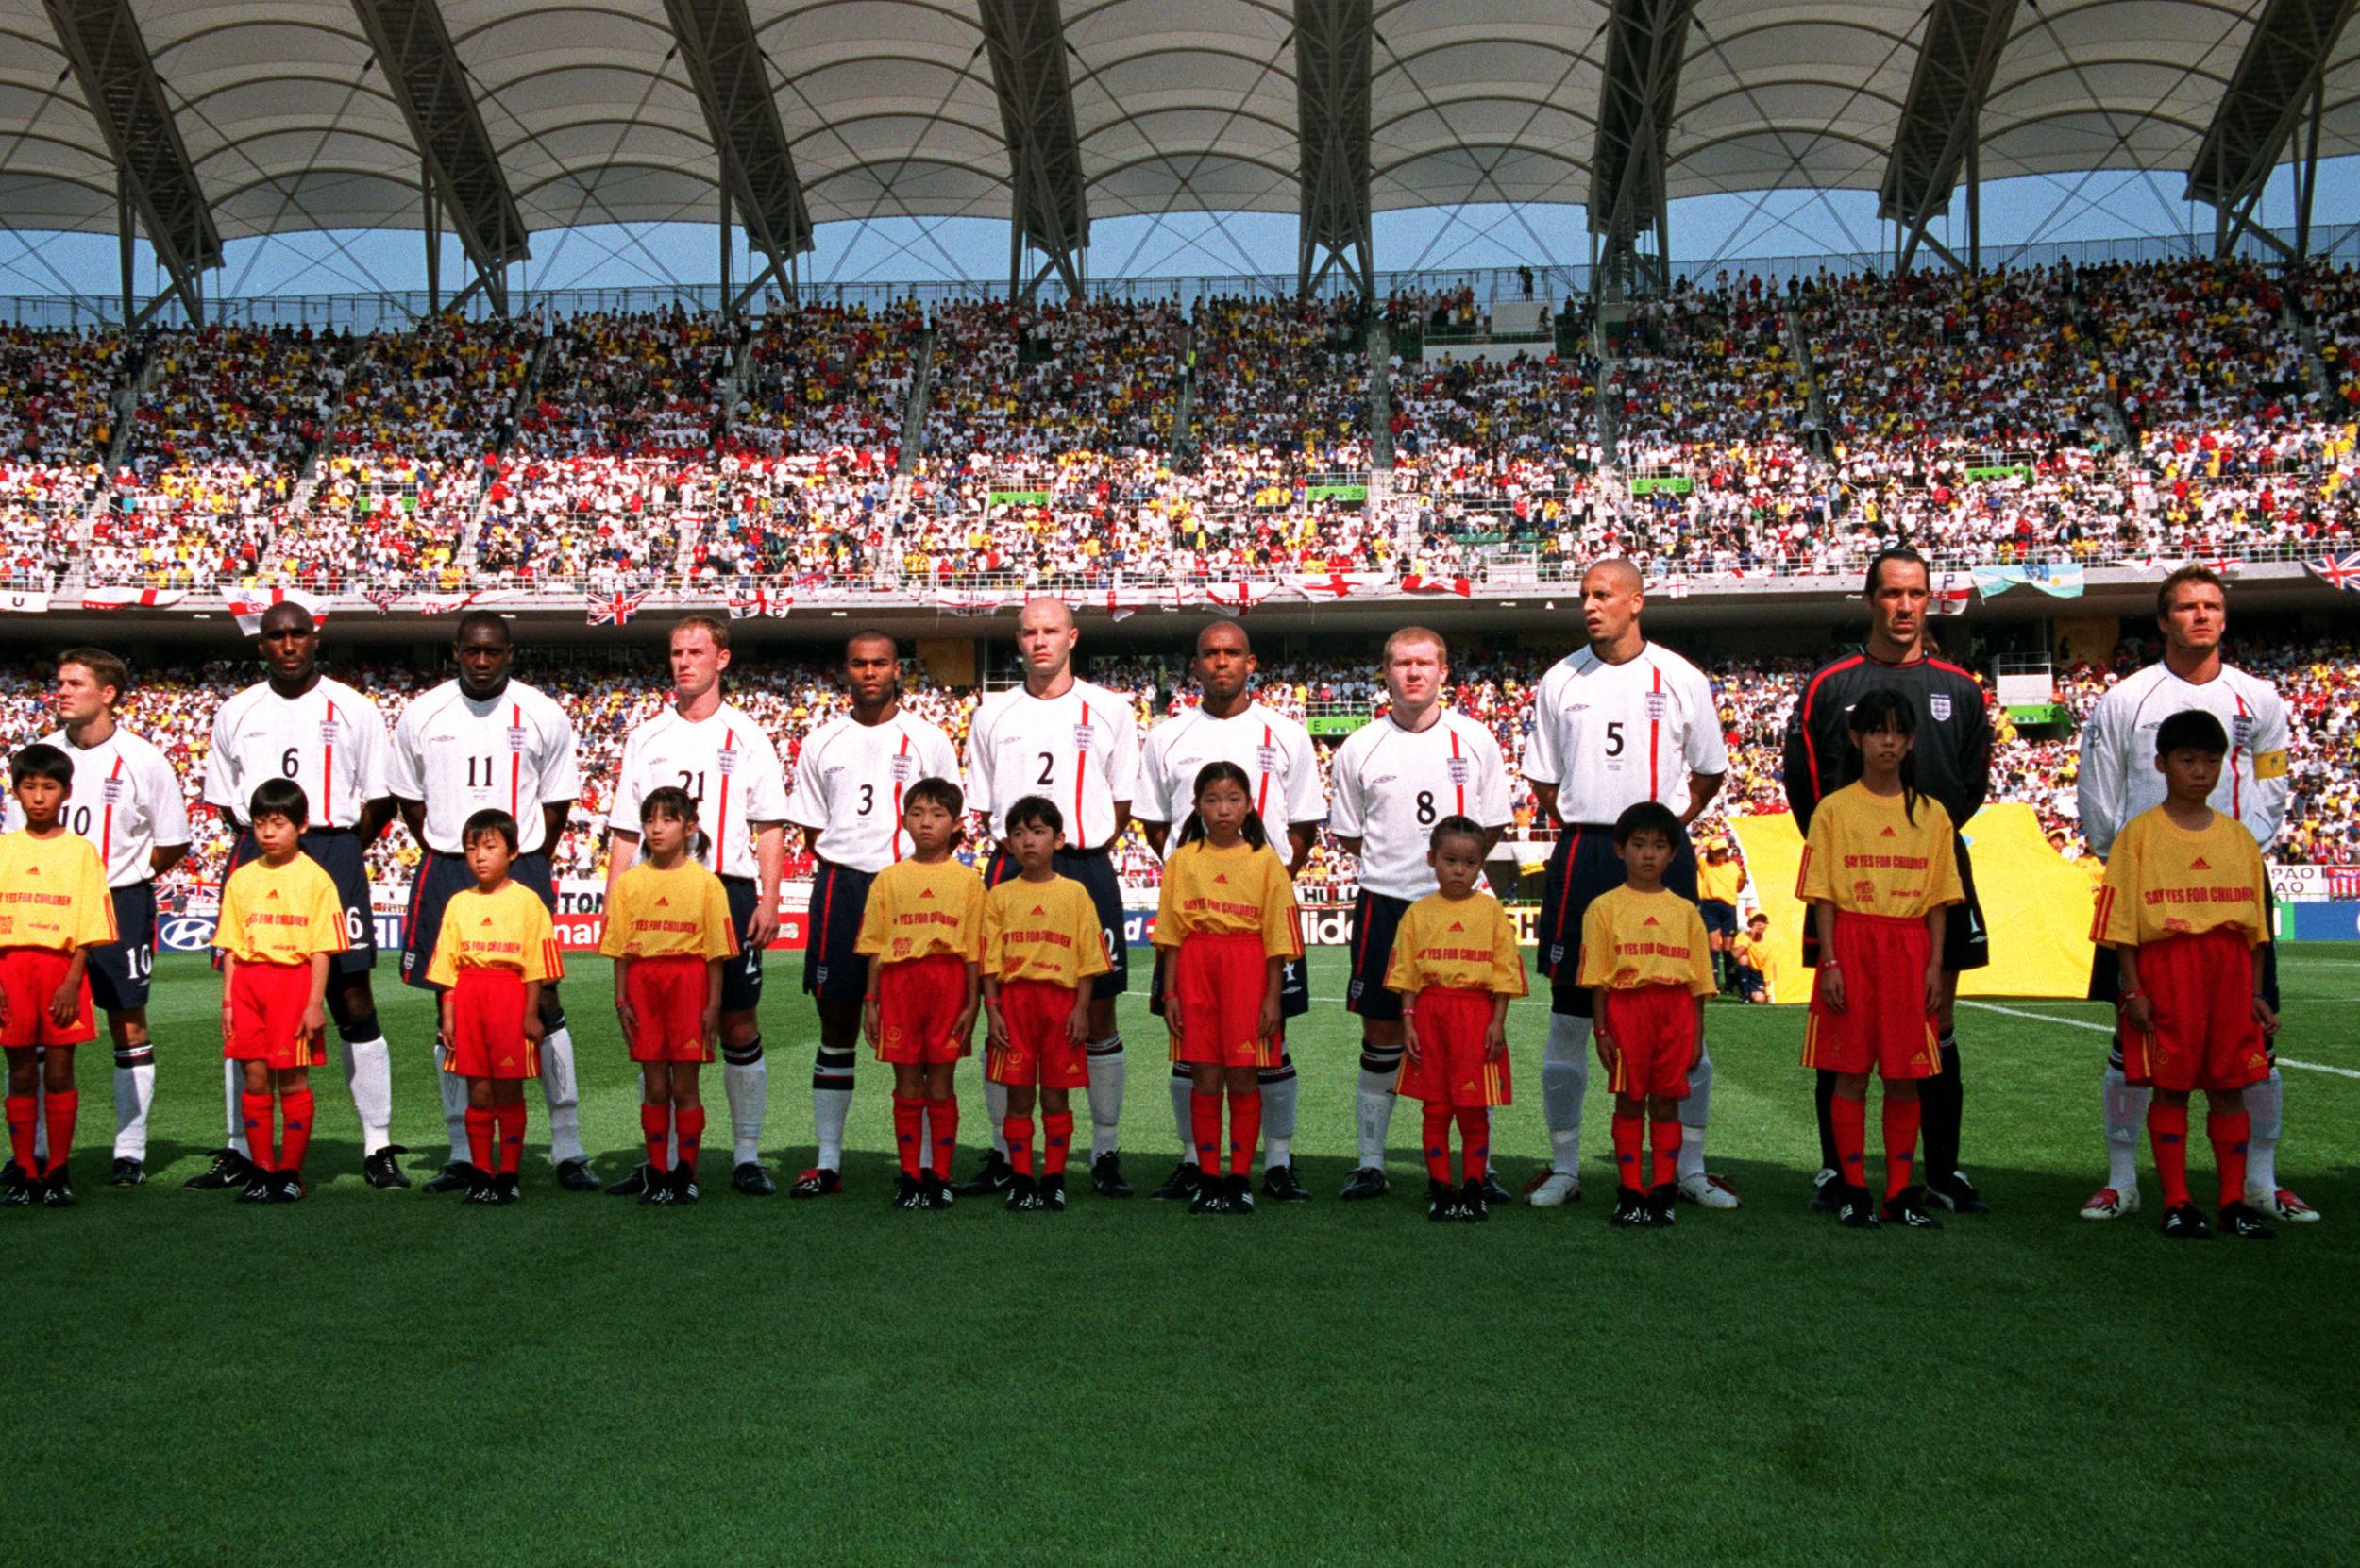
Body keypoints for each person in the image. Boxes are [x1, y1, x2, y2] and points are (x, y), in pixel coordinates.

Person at [2073, 565, 2312, 1223]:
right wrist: (2123, 858)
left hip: (2232, 893)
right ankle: (2124, 1180)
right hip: (2149, 895)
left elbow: (2273, 777)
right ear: (2163, 620)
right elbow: (2098, 787)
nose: (2199, 616)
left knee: (2253, 1044)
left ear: (2225, 618)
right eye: (2185, 607)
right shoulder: (2126, 699)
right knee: (2132, 1047)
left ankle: (2259, 1182)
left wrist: (2243, 844)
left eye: (2211, 605)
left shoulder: (2260, 700)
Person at [1782, 547, 1993, 1217]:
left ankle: (1939, 1172)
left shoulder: (1958, 688)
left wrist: (1918, 836)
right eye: (1893, 593)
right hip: (1851, 892)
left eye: (1917, 594)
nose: (1905, 606)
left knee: (1937, 1023)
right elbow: (1804, 785)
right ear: (1870, 599)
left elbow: (1971, 782)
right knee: (1845, 1032)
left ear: (1929, 600)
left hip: (1929, 884)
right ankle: (1835, 1173)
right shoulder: (1830, 684)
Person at [1526, 560, 1733, 1211]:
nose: (1590, 606)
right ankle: (1564, 1166)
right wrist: (1599, 829)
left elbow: (1708, 770)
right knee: (1569, 1015)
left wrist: (1662, 830)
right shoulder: (1560, 679)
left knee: (1677, 1013)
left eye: (1602, 595)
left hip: (1658, 850)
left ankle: (1688, 1167)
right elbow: (1545, 781)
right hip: (1586, 848)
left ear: (1635, 601)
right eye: (1583, 595)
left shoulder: (1680, 676)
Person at [194, 601, 403, 1192]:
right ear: (261, 645)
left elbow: (379, 796)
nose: (288, 645)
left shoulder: (354, 706)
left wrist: (332, 851)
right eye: (276, 636)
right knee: (246, 1002)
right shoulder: (237, 711)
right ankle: (240, 1147)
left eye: (297, 635)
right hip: (256, 856)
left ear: (315, 639)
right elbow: (222, 797)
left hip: (333, 850)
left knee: (353, 995)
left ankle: (378, 1142)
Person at [389, 613, 593, 1194]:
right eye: (472, 652)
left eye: (494, 652)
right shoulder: (422, 714)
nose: (482, 661)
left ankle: (568, 1145)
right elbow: (410, 800)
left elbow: (555, 803)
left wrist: (519, 860)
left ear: (510, 653)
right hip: (447, 867)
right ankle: (462, 1150)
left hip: (523, 865)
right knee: (449, 1009)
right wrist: (456, 847)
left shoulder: (542, 713)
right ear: (456, 651)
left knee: (544, 1000)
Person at [1136, 617, 1324, 1204]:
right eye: (1210, 653)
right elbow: (1155, 824)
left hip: (1256, 922)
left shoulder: (1286, 733)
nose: (1221, 661)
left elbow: (1304, 826)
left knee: (1272, 1040)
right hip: (1196, 933)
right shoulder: (1166, 735)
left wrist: (1256, 884)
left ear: (1251, 662)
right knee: (1192, 1045)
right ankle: (1196, 1163)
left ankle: (1277, 1161)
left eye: (1233, 652)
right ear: (1196, 665)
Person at [961, 598, 1140, 1199]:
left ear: (1073, 638)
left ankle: (1106, 1151)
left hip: (1085, 866)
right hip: (1010, 869)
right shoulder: (991, 713)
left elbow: (1120, 801)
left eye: (1051, 631)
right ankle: (1002, 1151)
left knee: (1100, 1010)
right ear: (1018, 640)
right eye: (1030, 632)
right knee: (1005, 1010)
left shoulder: (1111, 708)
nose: (1041, 641)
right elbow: (985, 803)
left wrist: (1075, 848)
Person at [606, 615, 788, 1197]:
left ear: (722, 660)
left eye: (695, 651)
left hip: (725, 892)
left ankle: (746, 1154)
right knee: (653, 1034)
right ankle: (659, 1161)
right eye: (676, 652)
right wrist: (615, 903)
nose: (684, 662)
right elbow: (623, 831)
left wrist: (769, 898)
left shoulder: (749, 735)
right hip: (656, 897)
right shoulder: (647, 736)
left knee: (736, 1022)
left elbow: (768, 824)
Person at [1329, 626, 1511, 1200]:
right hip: (1386, 903)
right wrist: (1404, 872)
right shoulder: (1361, 746)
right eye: (1401, 663)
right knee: (1383, 1032)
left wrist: (1449, 878)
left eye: (1424, 663)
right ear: (1385, 672)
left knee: (1470, 1035)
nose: (1413, 673)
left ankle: (1479, 1169)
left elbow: (1492, 827)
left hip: (1463, 909)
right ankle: (1371, 1162)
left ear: (1443, 672)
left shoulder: (1476, 740)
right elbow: (1351, 834)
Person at [0, 649, 188, 1188]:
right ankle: (31, 1153)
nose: (61, 691)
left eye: (74, 683)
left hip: (119, 900)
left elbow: (171, 841)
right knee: (32, 1030)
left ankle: (129, 1150)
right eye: (58, 682)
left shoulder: (145, 759)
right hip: (44, 914)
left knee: (127, 1022)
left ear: (107, 693)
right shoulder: (38, 756)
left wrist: (117, 876)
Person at [2091, 710, 2279, 1241]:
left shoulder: (2240, 839)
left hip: (2229, 972)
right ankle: (2176, 1201)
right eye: (2188, 760)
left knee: (2230, 1088)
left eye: (2211, 761)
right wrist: (2132, 988)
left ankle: (2233, 1201)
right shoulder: (2138, 836)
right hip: (2167, 969)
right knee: (2170, 1090)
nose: (2200, 771)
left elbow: (2255, 930)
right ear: (2162, 763)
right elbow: (2122, 925)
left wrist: (2255, 992)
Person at [783, 631, 957, 1199]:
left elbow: (949, 819)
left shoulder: (927, 739)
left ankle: (927, 1166)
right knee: (837, 1025)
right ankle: (829, 1161)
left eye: (880, 663)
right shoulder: (822, 741)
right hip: (842, 887)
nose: (870, 672)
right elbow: (813, 828)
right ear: (847, 671)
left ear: (897, 670)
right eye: (859, 663)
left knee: (925, 1030)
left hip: (911, 890)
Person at [1798, 691, 1963, 1232]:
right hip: (1853, 941)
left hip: (1909, 947)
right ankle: (1853, 1191)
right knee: (1848, 1075)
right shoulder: (1834, 809)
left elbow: (1940, 900)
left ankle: (1899, 1193)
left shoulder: (1932, 813)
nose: (1886, 741)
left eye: (1896, 731)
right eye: (1875, 731)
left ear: (1911, 740)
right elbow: (1823, 896)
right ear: (1857, 739)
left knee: (1905, 1079)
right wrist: (1832, 963)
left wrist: (1936, 965)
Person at [1154, 761, 1303, 1216]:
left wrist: (1272, 997)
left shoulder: (1265, 862)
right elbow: (1172, 935)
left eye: (1233, 799)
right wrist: (1172, 994)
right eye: (1213, 800)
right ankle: (1208, 1177)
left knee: (1243, 1076)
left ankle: (1240, 1178)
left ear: (1249, 805)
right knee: (1204, 1078)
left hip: (1247, 968)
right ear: (1197, 806)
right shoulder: (1182, 860)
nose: (1223, 809)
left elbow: (1278, 940)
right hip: (1197, 968)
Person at [1578, 801, 1718, 1229]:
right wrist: (1601, 1028)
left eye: (1659, 846)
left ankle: (1661, 1190)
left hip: (1674, 1013)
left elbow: (1698, 985)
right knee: (1630, 1099)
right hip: (1627, 1010)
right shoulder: (1603, 908)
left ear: (1673, 855)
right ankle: (1629, 1191)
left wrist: (1696, 1037)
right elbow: (1598, 978)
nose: (1648, 854)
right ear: (1620, 850)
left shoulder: (1686, 911)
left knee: (1665, 1103)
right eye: (1639, 844)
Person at [598, 786, 739, 1206]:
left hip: (688, 984)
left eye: (668, 820)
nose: (657, 829)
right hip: (644, 985)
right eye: (650, 820)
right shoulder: (629, 883)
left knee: (686, 1088)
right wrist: (621, 1000)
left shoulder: (707, 884)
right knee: (656, 1087)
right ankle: (658, 1171)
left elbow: (716, 953)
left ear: (689, 826)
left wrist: (713, 1007)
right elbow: (619, 950)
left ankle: (687, 1173)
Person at [1384, 815, 1526, 1223]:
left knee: (1473, 1109)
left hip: (1476, 1016)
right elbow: (1407, 974)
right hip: (1431, 1015)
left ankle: (1474, 1188)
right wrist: (1408, 1021)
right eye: (1450, 860)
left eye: (1469, 862)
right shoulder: (1418, 913)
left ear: (1481, 864)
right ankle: (1442, 1189)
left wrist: (1497, 1022)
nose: (1459, 870)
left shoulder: (1492, 912)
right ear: (1432, 860)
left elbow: (1504, 975)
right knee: (1436, 1109)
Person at [211, 778, 346, 1206]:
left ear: (301, 826)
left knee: (291, 1079)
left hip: (293, 984)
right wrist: (228, 1001)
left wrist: (314, 1004)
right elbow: (231, 947)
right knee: (253, 1078)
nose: (269, 832)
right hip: (249, 985)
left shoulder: (316, 879)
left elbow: (323, 949)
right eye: (261, 823)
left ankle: (290, 1172)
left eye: (279, 823)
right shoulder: (241, 879)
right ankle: (262, 1169)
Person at [856, 777, 986, 1211]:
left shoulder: (969, 882)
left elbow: (973, 951)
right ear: (904, 821)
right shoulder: (888, 880)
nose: (926, 823)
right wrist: (871, 1003)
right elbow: (874, 946)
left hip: (947, 985)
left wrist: (973, 1003)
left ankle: (941, 1176)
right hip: (899, 987)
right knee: (908, 1083)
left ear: (955, 823)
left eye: (937, 814)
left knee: (942, 1084)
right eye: (917, 813)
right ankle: (911, 1174)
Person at [425, 808, 563, 1206]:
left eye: (489, 847)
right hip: (469, 999)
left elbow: (536, 966)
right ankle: (482, 1172)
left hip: (509, 996)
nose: (480, 857)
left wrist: (530, 1013)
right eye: (471, 849)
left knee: (507, 1092)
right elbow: (448, 968)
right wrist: (448, 1016)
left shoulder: (527, 902)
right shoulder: (458, 903)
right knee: (478, 1093)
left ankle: (508, 1174)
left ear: (513, 852)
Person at [979, 795, 1109, 1213]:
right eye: (1018, 834)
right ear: (1008, 843)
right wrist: (993, 1010)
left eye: (1038, 832)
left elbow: (1089, 957)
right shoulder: (998, 896)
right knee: (1018, 1097)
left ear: (1059, 839)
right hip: (1015, 1004)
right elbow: (989, 960)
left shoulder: (1075, 894)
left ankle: (1052, 1178)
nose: (1028, 841)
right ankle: (1021, 1177)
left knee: (1056, 1096)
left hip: (1061, 1004)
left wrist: (1081, 1009)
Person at [0, 744, 116, 1207]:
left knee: (61, 1071)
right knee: (21, 1071)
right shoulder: (5, 849)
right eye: (30, 787)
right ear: (16, 792)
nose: (39, 797)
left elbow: (90, 921)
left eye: (49, 787)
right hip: (11, 969)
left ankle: (58, 1170)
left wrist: (72, 981)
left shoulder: (81, 852)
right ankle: (25, 1170)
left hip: (62, 971)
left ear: (66, 793)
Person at [1696, 842, 1744, 993]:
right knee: (1714, 946)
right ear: (1711, 852)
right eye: (1717, 851)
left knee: (1728, 947)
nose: (1721, 854)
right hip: (1710, 906)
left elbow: (1739, 888)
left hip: (1728, 907)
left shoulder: (1733, 867)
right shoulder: (1706, 864)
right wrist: (1709, 841)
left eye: (1723, 851)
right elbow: (1694, 856)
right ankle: (1714, 982)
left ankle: (1730, 983)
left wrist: (1743, 877)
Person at [1730, 912, 1774, 1004]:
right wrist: (1750, 938)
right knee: (1743, 959)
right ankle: (1744, 995)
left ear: (1766, 925)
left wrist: (1768, 993)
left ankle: (1751, 993)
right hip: (1744, 970)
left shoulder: (1769, 943)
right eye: (1756, 921)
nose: (1759, 924)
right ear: (1750, 924)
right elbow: (1735, 954)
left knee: (1759, 999)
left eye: (1762, 921)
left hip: (1758, 975)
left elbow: (1768, 969)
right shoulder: (1743, 935)